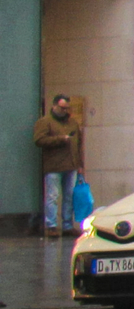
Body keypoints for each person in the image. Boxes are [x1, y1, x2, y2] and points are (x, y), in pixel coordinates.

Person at [32, 94, 83, 237]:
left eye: (67, 108)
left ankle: (67, 225)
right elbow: (39, 140)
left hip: (70, 164)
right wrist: (60, 139)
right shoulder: (45, 122)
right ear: (54, 106)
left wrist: (79, 163)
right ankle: (51, 225)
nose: (65, 111)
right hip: (54, 165)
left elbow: (78, 143)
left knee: (69, 195)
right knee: (53, 196)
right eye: (62, 108)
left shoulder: (72, 122)